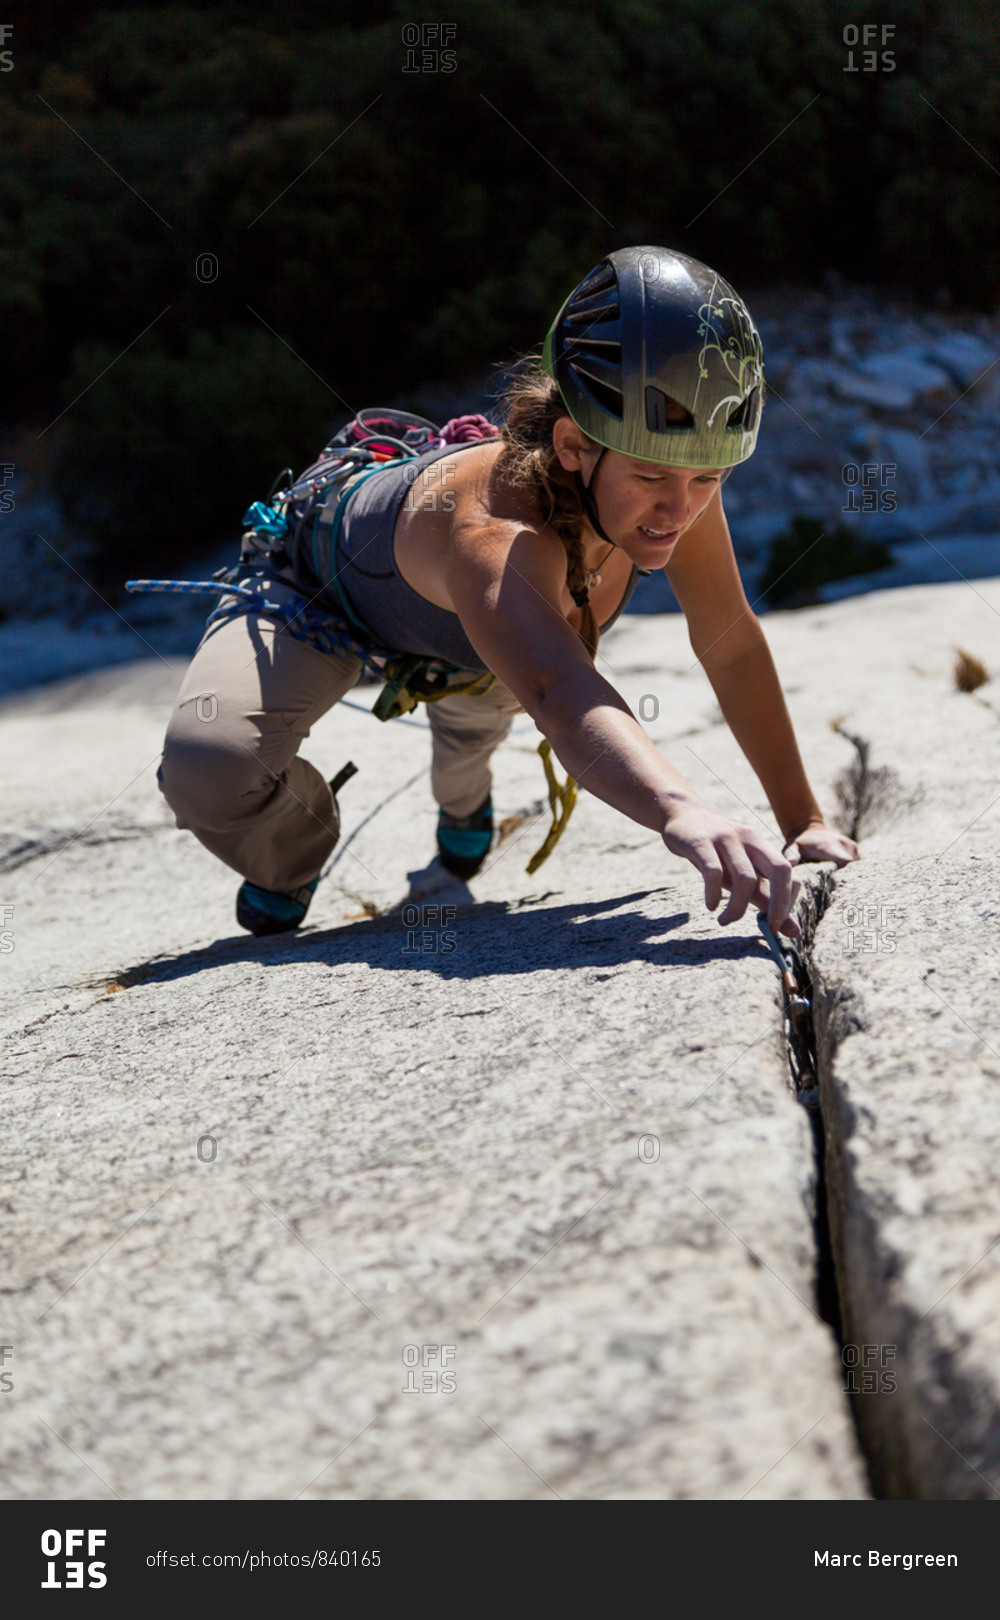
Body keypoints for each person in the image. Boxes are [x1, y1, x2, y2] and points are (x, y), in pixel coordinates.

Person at [157, 245, 858, 938]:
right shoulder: (493, 532)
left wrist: (806, 823)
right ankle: (294, 852)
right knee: (207, 769)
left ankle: (463, 803)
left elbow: (729, 642)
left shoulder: (673, 475)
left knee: (474, 731)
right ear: (571, 446)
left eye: (709, 479)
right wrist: (681, 809)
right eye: (652, 479)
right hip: (316, 594)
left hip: (476, 641)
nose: (682, 509)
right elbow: (556, 686)